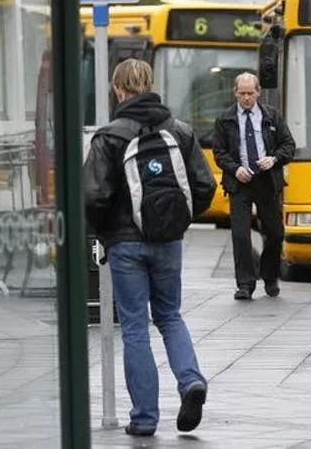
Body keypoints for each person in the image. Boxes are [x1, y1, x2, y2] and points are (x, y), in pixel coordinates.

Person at [84, 59, 217, 437]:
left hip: (125, 245)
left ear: (118, 89)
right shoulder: (180, 130)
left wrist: (105, 232)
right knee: (170, 316)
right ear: (150, 84)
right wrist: (176, 221)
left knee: (135, 328)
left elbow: (94, 196)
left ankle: (144, 418)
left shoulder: (109, 136)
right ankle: (191, 380)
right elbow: (205, 186)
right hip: (167, 241)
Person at [212, 72, 295, 300]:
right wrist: (235, 169)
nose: (246, 98)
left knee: (276, 233)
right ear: (235, 93)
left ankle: (269, 275)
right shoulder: (225, 119)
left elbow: (289, 146)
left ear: (258, 92)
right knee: (240, 235)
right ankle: (245, 284)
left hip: (266, 181)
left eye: (250, 93)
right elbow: (218, 152)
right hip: (240, 184)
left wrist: (274, 159)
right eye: (242, 94)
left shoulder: (272, 116)